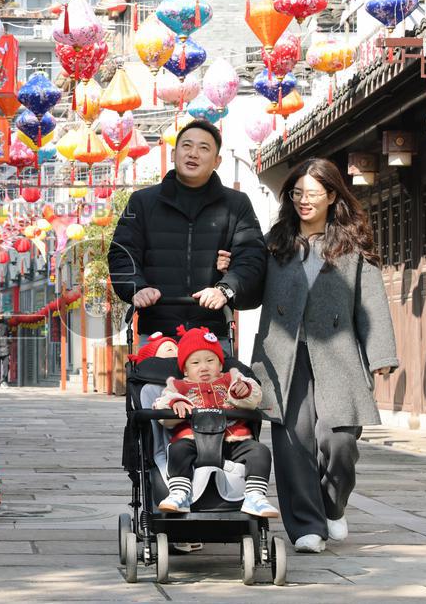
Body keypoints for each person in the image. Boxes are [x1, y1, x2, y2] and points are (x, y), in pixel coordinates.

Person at [249, 158, 398, 553]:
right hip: (284, 356)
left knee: (340, 439)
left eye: (312, 193)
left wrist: (381, 353)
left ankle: (332, 505)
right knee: (293, 443)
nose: (304, 200)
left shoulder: (353, 243)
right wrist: (230, 272)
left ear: (332, 196)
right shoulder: (274, 242)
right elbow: (249, 293)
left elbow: (371, 300)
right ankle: (305, 527)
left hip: (339, 354)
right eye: (297, 193)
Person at [107, 119, 267, 350]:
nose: (193, 153)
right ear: (174, 154)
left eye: (204, 148)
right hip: (157, 336)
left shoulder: (237, 204)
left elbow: (252, 257)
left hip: (213, 336)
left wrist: (225, 288)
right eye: (187, 146)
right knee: (152, 376)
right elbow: (122, 254)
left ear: (217, 161)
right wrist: (137, 288)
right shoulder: (142, 202)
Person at [153, 326, 279, 519]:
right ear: (185, 370)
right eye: (195, 363)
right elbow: (160, 404)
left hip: (233, 441)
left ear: (220, 365)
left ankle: (255, 495)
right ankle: (179, 492)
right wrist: (175, 403)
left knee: (260, 451)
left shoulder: (232, 379)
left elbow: (254, 397)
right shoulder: (178, 386)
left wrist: (243, 390)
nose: (204, 367)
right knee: (177, 450)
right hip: (193, 442)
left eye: (210, 361)